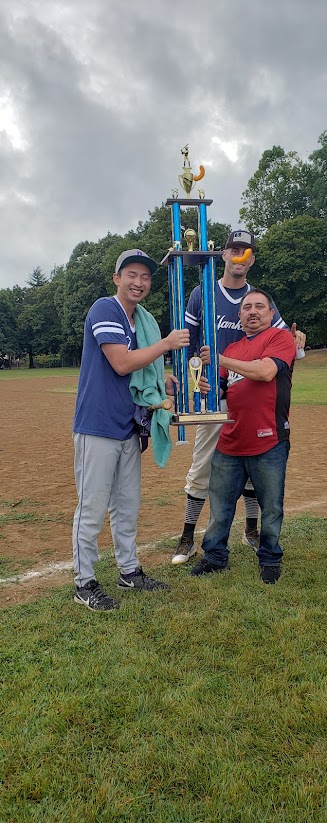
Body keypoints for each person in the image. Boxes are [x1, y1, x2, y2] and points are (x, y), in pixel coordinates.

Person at [171, 229, 306, 565]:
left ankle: (251, 529)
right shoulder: (203, 292)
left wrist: (299, 338)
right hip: (215, 390)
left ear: (252, 260)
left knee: (254, 463)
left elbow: (283, 339)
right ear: (224, 255)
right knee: (203, 465)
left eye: (246, 251)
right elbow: (188, 343)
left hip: (254, 394)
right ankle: (187, 536)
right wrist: (193, 384)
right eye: (234, 250)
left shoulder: (258, 299)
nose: (239, 256)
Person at [72, 248, 189, 611]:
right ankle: (84, 582)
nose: (139, 282)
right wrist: (166, 344)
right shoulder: (105, 309)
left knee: (127, 506)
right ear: (117, 278)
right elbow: (122, 363)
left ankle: (129, 571)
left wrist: (162, 387)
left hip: (129, 425)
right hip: (98, 424)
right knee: (92, 507)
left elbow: (139, 377)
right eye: (132, 275)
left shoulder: (144, 320)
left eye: (145, 277)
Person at [190, 289, 296, 584]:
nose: (253, 311)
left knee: (271, 506)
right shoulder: (234, 348)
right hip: (230, 440)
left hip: (269, 439)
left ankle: (270, 557)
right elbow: (221, 390)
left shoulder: (280, 338)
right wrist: (204, 387)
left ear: (271, 313)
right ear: (239, 316)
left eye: (259, 306)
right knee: (220, 505)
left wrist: (221, 359)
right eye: (246, 307)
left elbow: (265, 372)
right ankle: (215, 556)